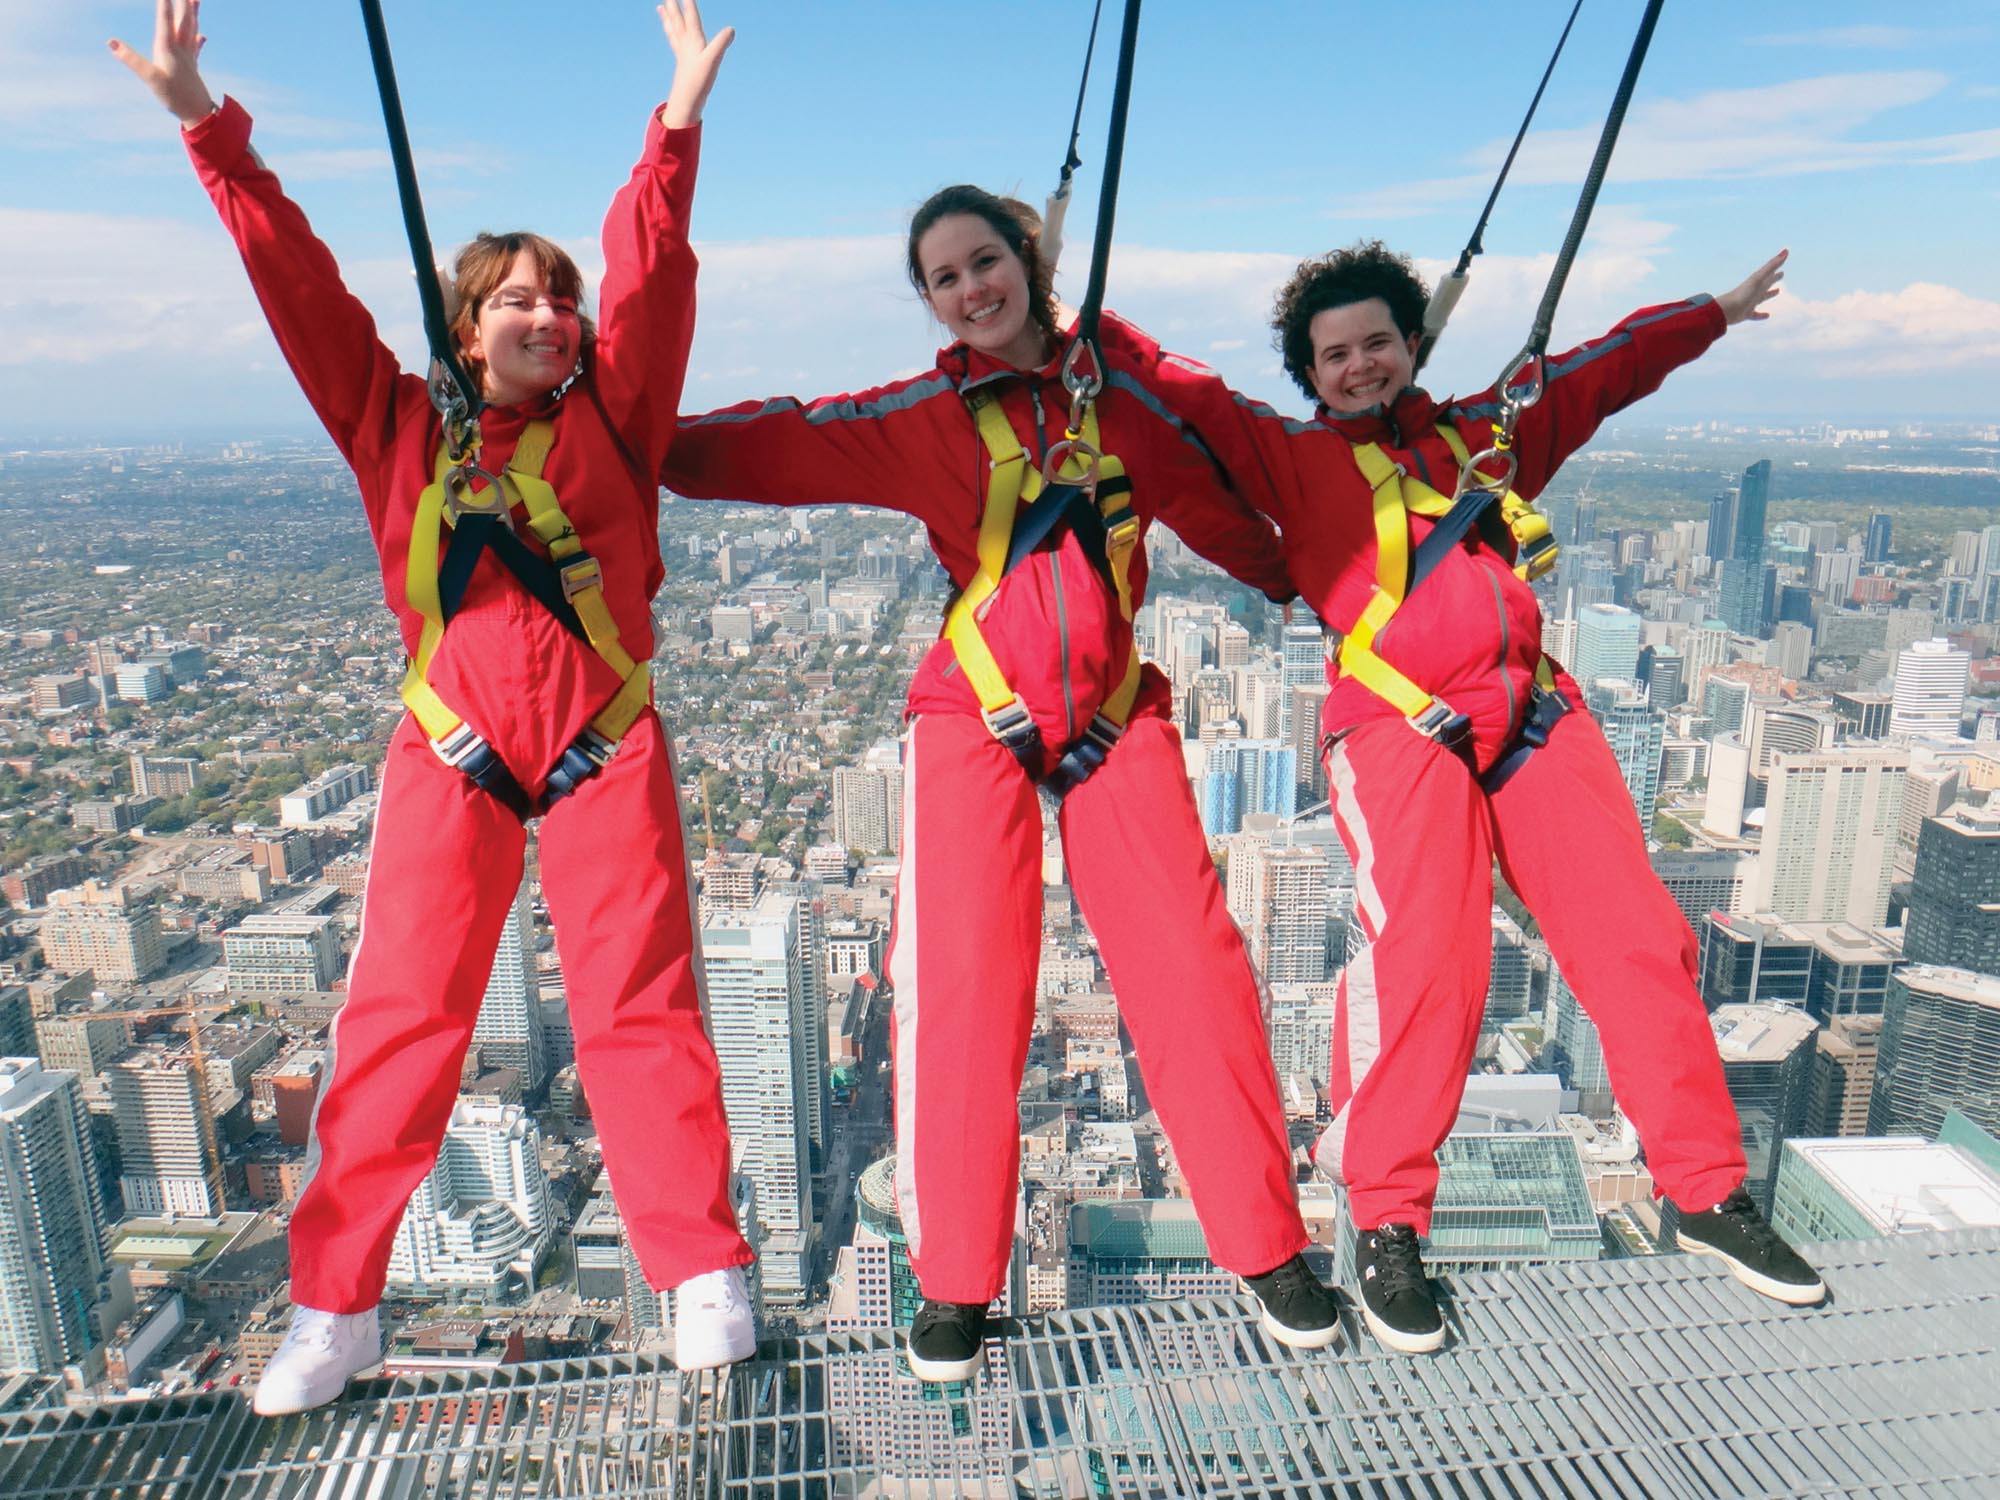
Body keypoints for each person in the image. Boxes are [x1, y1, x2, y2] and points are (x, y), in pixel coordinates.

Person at [112, 0, 757, 1413]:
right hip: (452, 752)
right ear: (466, 331)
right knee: (400, 1024)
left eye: (558, 298)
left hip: (602, 743)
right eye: (516, 299)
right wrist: (206, 129)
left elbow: (655, 282)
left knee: (640, 1013)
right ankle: (333, 1310)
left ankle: (703, 1272)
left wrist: (676, 127)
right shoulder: (397, 425)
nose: (549, 315)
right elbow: (302, 293)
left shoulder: (616, 418)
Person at [661, 185, 1339, 1381]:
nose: (971, 289)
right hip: (972, 711)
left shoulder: (1126, 403)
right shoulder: (927, 415)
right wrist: (618, 438)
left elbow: (1231, 508)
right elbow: (776, 443)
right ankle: (958, 1285)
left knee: (1193, 969)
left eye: (986, 262)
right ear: (927, 300)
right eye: (943, 278)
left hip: (1115, 713)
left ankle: (1266, 1247)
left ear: (1030, 262)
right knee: (961, 986)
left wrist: (1326, 594)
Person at [1133, 241, 1827, 1354]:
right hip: (1398, 723)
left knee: (1636, 940)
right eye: (1333, 355)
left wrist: (1710, 310)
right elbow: (1186, 399)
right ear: (1307, 375)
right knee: (1430, 964)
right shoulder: (1289, 459)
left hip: (1533, 713)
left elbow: (1598, 372)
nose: (1357, 366)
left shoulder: (1481, 439)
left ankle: (1703, 1191)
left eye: (1374, 344)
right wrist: (1071, 325)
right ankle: (1386, 1221)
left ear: (1411, 344)